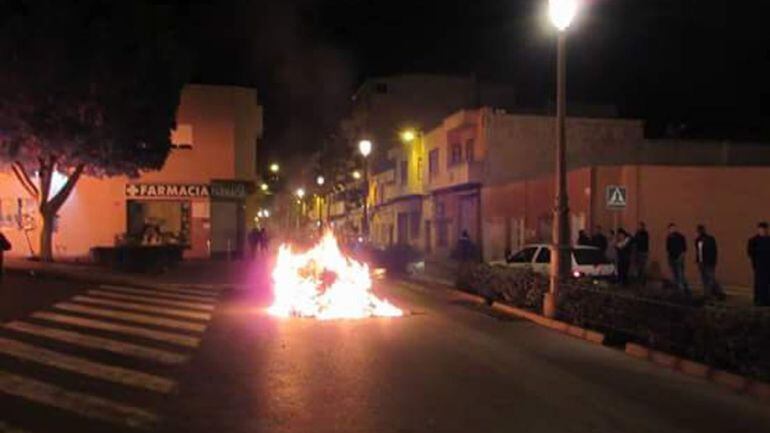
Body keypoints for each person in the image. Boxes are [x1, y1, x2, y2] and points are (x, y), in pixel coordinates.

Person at [695, 225, 725, 300]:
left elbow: (714, 251)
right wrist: (698, 260)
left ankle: (712, 292)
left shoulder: (710, 239)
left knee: (711, 278)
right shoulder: (697, 240)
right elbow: (698, 252)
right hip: (701, 263)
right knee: (704, 278)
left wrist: (713, 261)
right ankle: (707, 292)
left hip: (709, 262)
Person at [747, 222, 770, 307]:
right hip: (759, 265)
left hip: (768, 265)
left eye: (765, 229)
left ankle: (767, 300)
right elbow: (750, 252)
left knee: (767, 283)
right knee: (759, 283)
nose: (763, 231)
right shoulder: (753, 240)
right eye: (761, 229)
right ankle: (759, 300)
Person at [666, 223, 690, 295]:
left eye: (672, 228)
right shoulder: (669, 238)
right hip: (672, 258)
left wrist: (681, 256)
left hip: (679, 257)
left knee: (680, 273)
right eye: (670, 229)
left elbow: (684, 248)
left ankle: (682, 288)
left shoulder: (680, 237)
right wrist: (669, 258)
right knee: (674, 274)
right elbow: (668, 248)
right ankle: (677, 288)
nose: (671, 230)